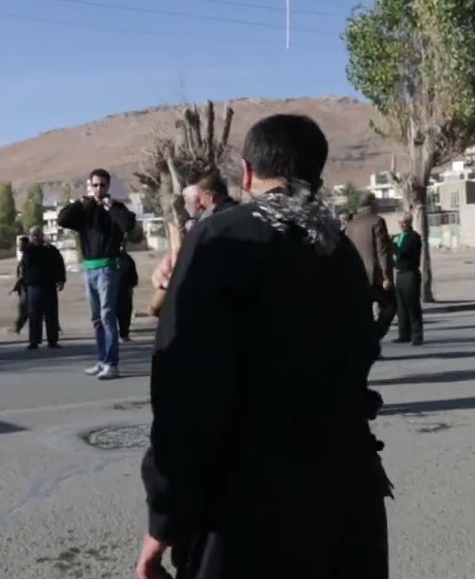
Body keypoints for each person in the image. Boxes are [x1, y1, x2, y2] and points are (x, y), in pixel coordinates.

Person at [136, 113, 391, 579]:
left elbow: (186, 393)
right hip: (346, 502)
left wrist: (164, 519)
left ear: (247, 171)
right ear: (317, 175)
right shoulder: (339, 248)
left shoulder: (221, 237)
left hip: (248, 516)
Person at [57, 168, 136, 380]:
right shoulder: (85, 209)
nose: (99, 189)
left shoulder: (116, 208)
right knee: (96, 319)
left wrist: (111, 207)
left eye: (102, 185)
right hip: (89, 268)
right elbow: (62, 220)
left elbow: (129, 224)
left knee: (107, 315)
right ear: (89, 186)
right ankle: (102, 360)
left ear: (108, 186)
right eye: (95, 185)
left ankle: (112, 364)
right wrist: (79, 203)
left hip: (108, 267)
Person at [344, 192, 396, 342]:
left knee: (363, 313)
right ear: (373, 203)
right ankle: (374, 336)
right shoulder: (377, 221)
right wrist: (386, 277)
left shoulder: (351, 225)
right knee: (390, 306)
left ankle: (364, 342)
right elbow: (382, 252)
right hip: (374, 278)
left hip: (355, 278)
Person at [14, 226, 65, 350]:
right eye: (34, 235)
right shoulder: (29, 251)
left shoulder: (51, 250)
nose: (36, 238)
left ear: (43, 236)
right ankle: (34, 341)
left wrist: (61, 280)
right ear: (30, 237)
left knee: (51, 315)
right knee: (34, 315)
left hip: (49, 286)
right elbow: (25, 266)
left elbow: (59, 264)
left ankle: (52, 340)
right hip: (33, 287)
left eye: (38, 235)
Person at [392, 212, 424, 346]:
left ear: (409, 222)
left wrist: (392, 246)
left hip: (410, 273)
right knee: (401, 307)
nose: (402, 225)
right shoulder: (400, 236)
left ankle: (417, 335)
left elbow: (402, 252)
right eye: (400, 223)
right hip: (400, 273)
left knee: (412, 305)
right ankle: (404, 334)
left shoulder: (413, 237)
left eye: (404, 222)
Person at [118, 242, 139, 343]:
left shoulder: (128, 259)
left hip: (126, 289)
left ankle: (124, 334)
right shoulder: (111, 258)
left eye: (123, 245)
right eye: (120, 245)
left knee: (126, 312)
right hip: (113, 289)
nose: (121, 247)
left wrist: (132, 284)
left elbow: (133, 274)